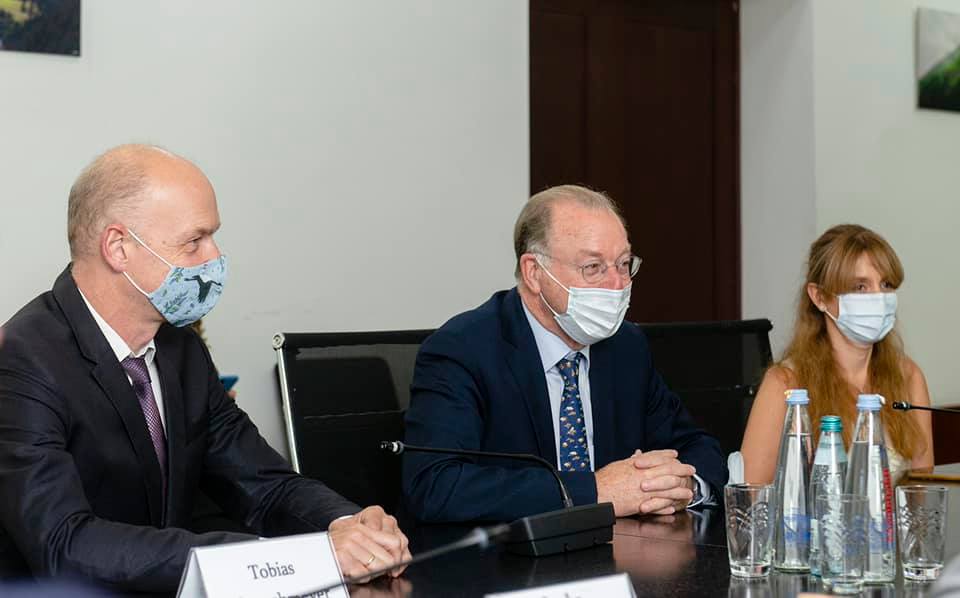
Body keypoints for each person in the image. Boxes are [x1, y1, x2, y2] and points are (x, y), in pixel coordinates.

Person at [0, 145, 410, 593]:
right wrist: (282, 559)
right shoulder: (22, 358)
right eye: (194, 241)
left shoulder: (181, 348)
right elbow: (63, 544)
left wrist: (348, 525)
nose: (214, 257)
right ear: (118, 248)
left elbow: (262, 484)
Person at [402, 185, 726, 523]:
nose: (618, 285)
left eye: (623, 264)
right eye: (593, 267)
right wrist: (594, 492)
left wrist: (683, 485)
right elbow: (436, 485)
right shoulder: (463, 349)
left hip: (622, 547)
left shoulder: (626, 346)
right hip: (508, 553)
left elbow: (696, 447)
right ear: (534, 272)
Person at [741, 224, 934, 484]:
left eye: (886, 284)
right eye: (860, 287)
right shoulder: (784, 383)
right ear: (819, 296)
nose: (879, 298)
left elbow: (922, 489)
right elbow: (752, 494)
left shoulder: (908, 376)